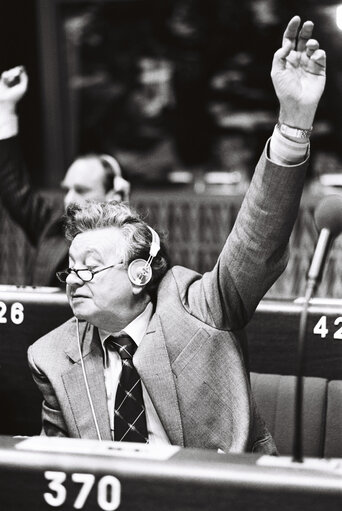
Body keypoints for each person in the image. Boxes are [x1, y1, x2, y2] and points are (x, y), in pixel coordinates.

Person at [27, 16, 326, 452]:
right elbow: (58, 471)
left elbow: (257, 238)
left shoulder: (200, 309)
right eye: (71, 270)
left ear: (140, 275)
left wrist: (294, 124)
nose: (73, 279)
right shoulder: (51, 357)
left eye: (90, 269)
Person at [0, 67, 130, 286]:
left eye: (81, 190)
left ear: (113, 194)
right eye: (67, 189)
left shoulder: (137, 243)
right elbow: (13, 187)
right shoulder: (54, 229)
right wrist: (5, 106)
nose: (69, 199)